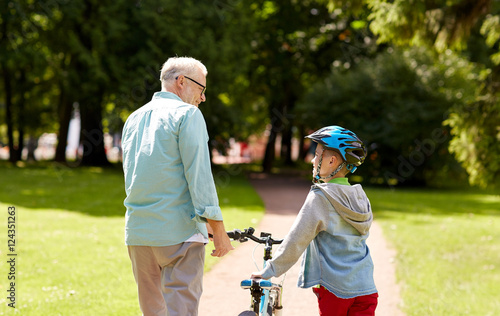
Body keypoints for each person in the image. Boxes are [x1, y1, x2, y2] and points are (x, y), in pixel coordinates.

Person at [122, 56, 234, 316]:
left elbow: (137, 176)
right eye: (201, 88)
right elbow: (200, 176)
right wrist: (217, 228)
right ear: (181, 81)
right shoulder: (188, 114)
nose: (202, 97)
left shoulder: (133, 119)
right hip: (179, 235)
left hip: (138, 234)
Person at [251, 126, 378, 316]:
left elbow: (297, 239)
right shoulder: (360, 195)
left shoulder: (321, 197)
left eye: (317, 154)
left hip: (336, 290)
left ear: (331, 160)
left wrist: (270, 270)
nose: (312, 160)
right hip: (366, 287)